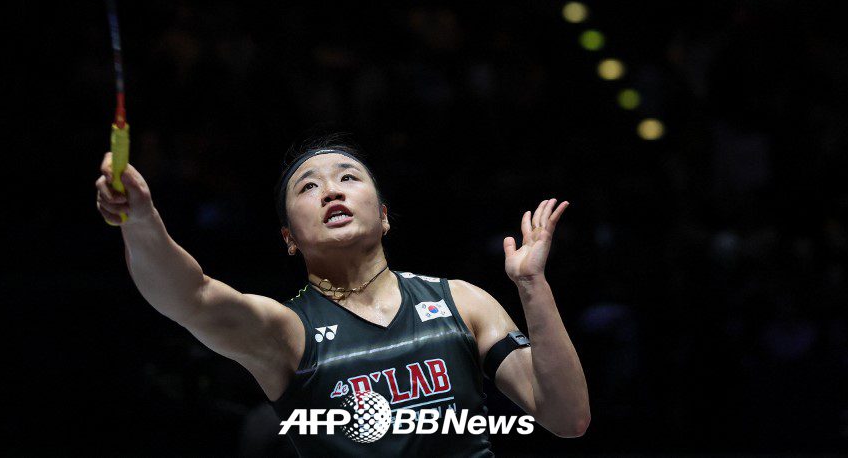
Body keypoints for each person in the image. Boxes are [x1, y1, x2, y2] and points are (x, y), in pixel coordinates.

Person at [95, 140, 590, 456]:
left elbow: (568, 417)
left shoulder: (463, 302)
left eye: (348, 177)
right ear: (290, 238)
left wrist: (532, 285)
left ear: (384, 216)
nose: (332, 191)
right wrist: (140, 221)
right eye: (308, 187)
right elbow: (191, 295)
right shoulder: (287, 333)